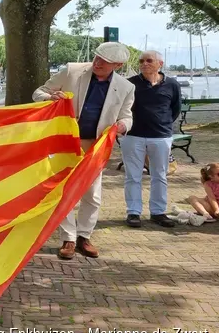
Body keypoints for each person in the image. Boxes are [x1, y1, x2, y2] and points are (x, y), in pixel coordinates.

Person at [33, 42, 134, 260]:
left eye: (104, 62)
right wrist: (50, 98)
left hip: (95, 145)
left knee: (93, 194)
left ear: (117, 65)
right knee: (65, 190)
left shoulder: (126, 87)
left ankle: (84, 237)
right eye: (96, 58)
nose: (97, 63)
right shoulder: (71, 70)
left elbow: (127, 115)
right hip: (64, 142)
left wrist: (123, 126)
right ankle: (68, 238)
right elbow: (38, 92)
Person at [121, 50, 181, 228]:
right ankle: (133, 212)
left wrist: (163, 124)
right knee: (133, 176)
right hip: (133, 136)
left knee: (160, 175)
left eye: (149, 60)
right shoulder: (130, 84)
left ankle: (158, 212)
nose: (144, 64)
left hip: (161, 136)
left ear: (160, 64)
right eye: (141, 61)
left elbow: (175, 108)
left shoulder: (172, 85)